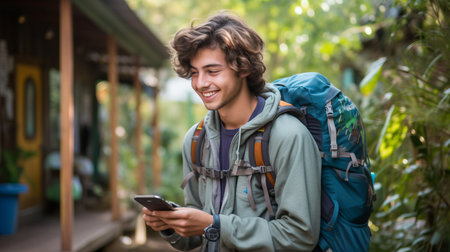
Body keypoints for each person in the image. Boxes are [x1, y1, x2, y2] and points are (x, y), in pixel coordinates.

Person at [143, 12, 321, 251]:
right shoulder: (196, 140)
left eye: (212, 71)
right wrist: (172, 223)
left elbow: (300, 235)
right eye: (195, 72)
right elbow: (197, 236)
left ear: (243, 68)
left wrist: (215, 224)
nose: (200, 83)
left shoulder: (287, 136)